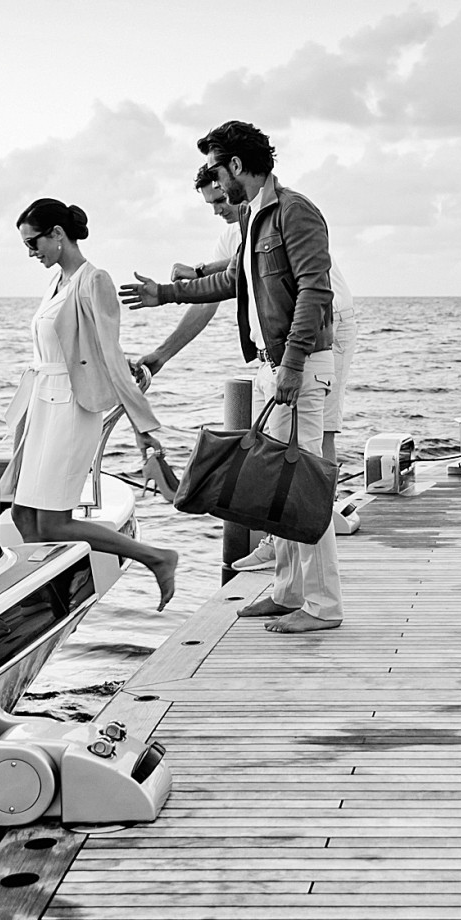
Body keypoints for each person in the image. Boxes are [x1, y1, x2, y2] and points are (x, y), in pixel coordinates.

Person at [120, 121, 344, 634]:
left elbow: (315, 291)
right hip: (273, 365)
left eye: (217, 170)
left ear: (236, 165)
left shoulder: (294, 211)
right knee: (279, 486)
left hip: (299, 366)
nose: (217, 183)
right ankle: (288, 594)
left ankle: (323, 605)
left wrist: (292, 364)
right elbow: (232, 280)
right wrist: (165, 294)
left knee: (302, 489)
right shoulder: (254, 218)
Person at [138, 165, 364, 571]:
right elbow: (227, 283)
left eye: (220, 197)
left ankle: (316, 530)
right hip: (276, 348)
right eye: (210, 203)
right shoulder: (240, 225)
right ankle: (287, 551)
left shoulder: (285, 211)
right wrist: (164, 345)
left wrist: (292, 364)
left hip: (322, 328)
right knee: (281, 451)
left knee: (313, 446)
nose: (218, 208)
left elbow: (302, 284)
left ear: (233, 177)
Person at [8, 198, 179, 611]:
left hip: (71, 408)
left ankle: (156, 558)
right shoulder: (57, 281)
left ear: (57, 234)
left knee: (53, 521)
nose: (30, 253)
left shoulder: (93, 280)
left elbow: (110, 356)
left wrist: (143, 431)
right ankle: (48, 598)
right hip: (41, 405)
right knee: (22, 515)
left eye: (33, 243)